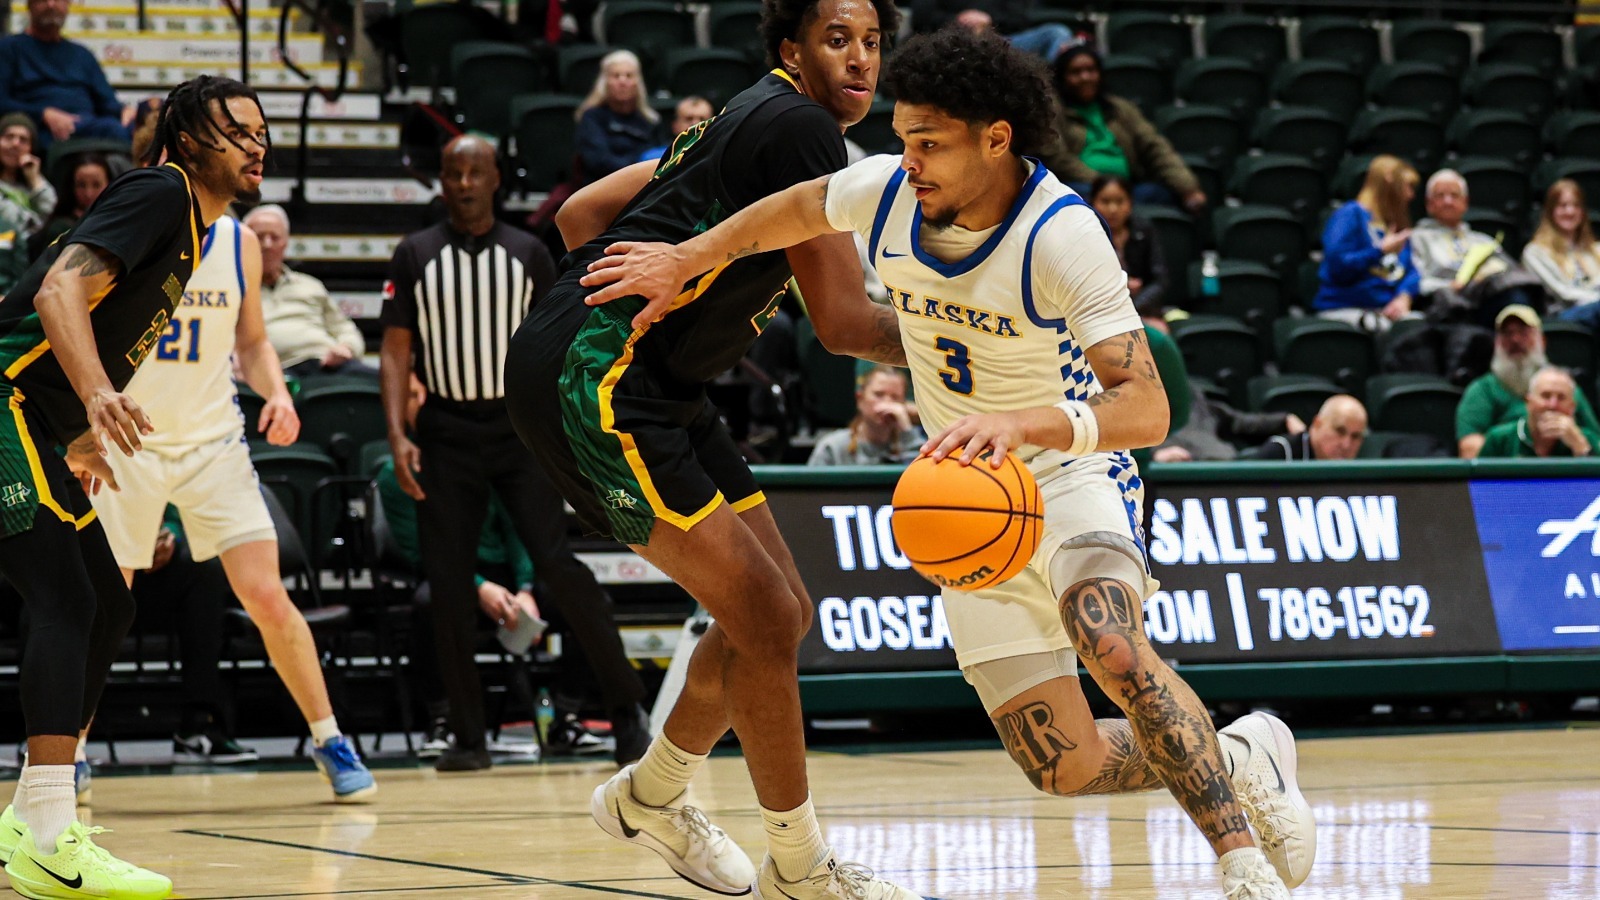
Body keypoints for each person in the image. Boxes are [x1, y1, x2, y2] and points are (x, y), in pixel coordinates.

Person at [578, 27, 1313, 900]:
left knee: (1109, 638)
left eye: (929, 143)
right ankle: (1241, 754)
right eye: (903, 138)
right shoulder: (888, 193)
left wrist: (1026, 422)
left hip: (1072, 474)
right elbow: (794, 208)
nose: (908, 159)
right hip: (966, 496)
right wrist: (690, 255)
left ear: (996, 139)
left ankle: (1240, 865)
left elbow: (1146, 409)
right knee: (1064, 764)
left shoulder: (1062, 232)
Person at [505, 0, 923, 893]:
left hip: (649, 381)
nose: (859, 60)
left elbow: (584, 213)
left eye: (872, 43)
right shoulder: (805, 129)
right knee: (767, 619)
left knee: (778, 616)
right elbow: (848, 326)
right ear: (792, 49)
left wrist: (615, 303)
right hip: (603, 384)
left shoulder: (742, 113)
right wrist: (973, 336)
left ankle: (650, 797)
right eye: (836, 39)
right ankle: (801, 867)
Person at [0, 74, 272, 900]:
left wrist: (77, 432)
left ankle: (28, 818)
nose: (256, 144)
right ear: (190, 139)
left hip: (36, 420)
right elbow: (56, 292)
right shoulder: (160, 190)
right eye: (238, 131)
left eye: (263, 132)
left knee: (108, 602)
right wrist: (94, 396)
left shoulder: (195, 231)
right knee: (64, 596)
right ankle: (49, 833)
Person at [87, 127, 375, 792]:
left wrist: (276, 392)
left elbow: (252, 341)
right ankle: (70, 749)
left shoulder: (241, 241)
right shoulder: (128, 228)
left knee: (266, 594)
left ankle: (329, 740)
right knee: (108, 602)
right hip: (132, 442)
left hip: (213, 437)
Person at [380, 134, 649, 773]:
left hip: (517, 429)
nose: (465, 183)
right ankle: (470, 737)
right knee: (446, 586)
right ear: (440, 180)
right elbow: (395, 351)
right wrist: (396, 435)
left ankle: (627, 710)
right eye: (453, 172)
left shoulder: (529, 252)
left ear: (496, 178)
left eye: (476, 172)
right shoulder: (413, 254)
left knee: (558, 564)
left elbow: (556, 341)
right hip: (445, 430)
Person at [131, 507, 256, 763]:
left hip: (146, 576)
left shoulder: (155, 463)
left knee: (204, 566)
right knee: (49, 577)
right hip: (87, 555)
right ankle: (48, 734)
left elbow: (178, 507)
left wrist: (170, 535)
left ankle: (199, 726)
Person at [1040, 41, 1206, 213]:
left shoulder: (1121, 109)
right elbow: (1056, 157)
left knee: (1163, 194)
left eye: (1091, 70)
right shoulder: (1053, 111)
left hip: (1128, 188)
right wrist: (1105, 186)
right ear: (1062, 78)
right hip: (1082, 187)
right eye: (1076, 72)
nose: (1085, 77)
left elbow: (1155, 146)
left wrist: (1188, 188)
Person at [241, 204, 374, 382]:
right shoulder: (234, 289)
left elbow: (344, 329)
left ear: (285, 244)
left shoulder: (310, 285)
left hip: (328, 365)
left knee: (390, 387)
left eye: (275, 237)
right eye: (259, 237)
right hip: (277, 373)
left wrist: (346, 348)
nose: (267, 244)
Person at [1455, 304, 1600, 458]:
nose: (1515, 339)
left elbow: (1595, 441)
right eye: (1507, 333)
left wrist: (1580, 446)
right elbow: (1471, 452)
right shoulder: (1483, 390)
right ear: (1528, 401)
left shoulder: (1564, 386)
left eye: (1524, 332)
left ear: (1542, 341)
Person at [1409, 169, 1543, 328]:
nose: (1448, 201)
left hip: (1485, 300)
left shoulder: (1482, 240)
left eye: (1454, 195)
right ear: (1429, 204)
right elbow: (1414, 282)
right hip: (1445, 306)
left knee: (1516, 297)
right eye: (1440, 196)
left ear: (1465, 203)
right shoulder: (1416, 238)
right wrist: (1448, 286)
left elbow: (1507, 273)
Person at [0, 0, 136, 146]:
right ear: (29, 5)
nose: (51, 4)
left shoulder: (82, 54)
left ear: (68, 4)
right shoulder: (8, 49)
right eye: (43, 0)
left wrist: (126, 111)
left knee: (124, 129)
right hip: (40, 129)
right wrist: (43, 114)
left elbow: (108, 102)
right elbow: (2, 101)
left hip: (89, 125)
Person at [1314, 154, 1420, 333]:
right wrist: (1379, 251)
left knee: (1421, 326)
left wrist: (1404, 297)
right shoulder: (1350, 215)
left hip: (1386, 311)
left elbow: (1411, 270)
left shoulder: (1393, 225)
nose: (1411, 195)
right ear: (1389, 181)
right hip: (1345, 308)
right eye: (1407, 186)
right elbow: (1338, 266)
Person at [1090, 174, 1169, 324]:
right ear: (1092, 203)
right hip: (1101, 314)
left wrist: (1134, 307)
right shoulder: (1085, 235)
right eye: (1105, 201)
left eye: (1120, 201)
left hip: (1142, 309)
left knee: (1158, 336)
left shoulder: (1144, 230)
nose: (1113, 209)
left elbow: (1160, 280)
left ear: (1130, 203)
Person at [807, 365, 923, 465]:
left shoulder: (909, 443)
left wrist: (907, 429)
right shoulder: (832, 448)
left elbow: (925, 474)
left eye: (895, 397)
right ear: (860, 399)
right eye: (879, 394)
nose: (888, 403)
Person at [1522, 179, 1600, 327]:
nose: (1570, 212)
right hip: (1562, 315)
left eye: (1576, 206)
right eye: (1563, 206)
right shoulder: (1535, 252)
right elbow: (1564, 294)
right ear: (1551, 211)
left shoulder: (1596, 250)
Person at [574, 50, 660, 182]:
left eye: (629, 75)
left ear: (638, 82)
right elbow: (598, 161)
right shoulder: (592, 118)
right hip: (602, 187)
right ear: (605, 82)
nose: (622, 81)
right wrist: (637, 168)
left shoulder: (650, 120)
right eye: (616, 76)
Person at [1479, 366, 1598, 458]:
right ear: (1528, 402)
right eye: (1545, 396)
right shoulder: (1499, 439)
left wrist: (1581, 448)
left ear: (1572, 407)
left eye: (1561, 397)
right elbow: (1477, 486)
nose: (1552, 405)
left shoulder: (1586, 439)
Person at [910, 0, 1076, 62]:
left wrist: (989, 19)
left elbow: (1020, 18)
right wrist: (959, 19)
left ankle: (1056, 92)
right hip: (950, 42)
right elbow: (920, 17)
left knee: (1057, 33)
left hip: (1002, 39)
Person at [1238, 395, 1366, 461]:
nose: (1346, 445)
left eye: (1355, 437)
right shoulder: (1282, 452)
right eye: (1339, 431)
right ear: (1317, 424)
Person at [33, 153, 110, 257]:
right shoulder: (61, 229)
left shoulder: (119, 222)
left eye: (96, 185)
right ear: (71, 186)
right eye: (81, 185)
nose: (89, 193)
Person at [0, 112, 57, 240]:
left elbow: (53, 213)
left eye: (23, 140)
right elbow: (13, 221)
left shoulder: (31, 183)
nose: (15, 144)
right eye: (9, 137)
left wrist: (35, 179)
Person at [639, 96, 715, 163]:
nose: (696, 123)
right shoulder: (651, 159)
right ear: (675, 125)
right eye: (689, 119)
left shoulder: (720, 156)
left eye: (702, 119)